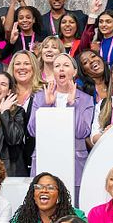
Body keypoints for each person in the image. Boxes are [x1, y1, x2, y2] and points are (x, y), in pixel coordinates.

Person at [28, 53, 95, 190]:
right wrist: (46, 105)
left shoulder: (86, 99)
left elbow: (81, 132)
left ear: (75, 71)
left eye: (66, 65)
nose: (61, 69)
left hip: (74, 163)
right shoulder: (40, 97)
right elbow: (32, 131)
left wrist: (72, 104)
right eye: (57, 66)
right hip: (45, 160)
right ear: (53, 72)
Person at [7, 50, 39, 174]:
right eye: (18, 64)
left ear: (34, 67)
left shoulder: (44, 92)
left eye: (26, 63)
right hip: (10, 161)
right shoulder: (5, 92)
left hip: (36, 157)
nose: (22, 67)